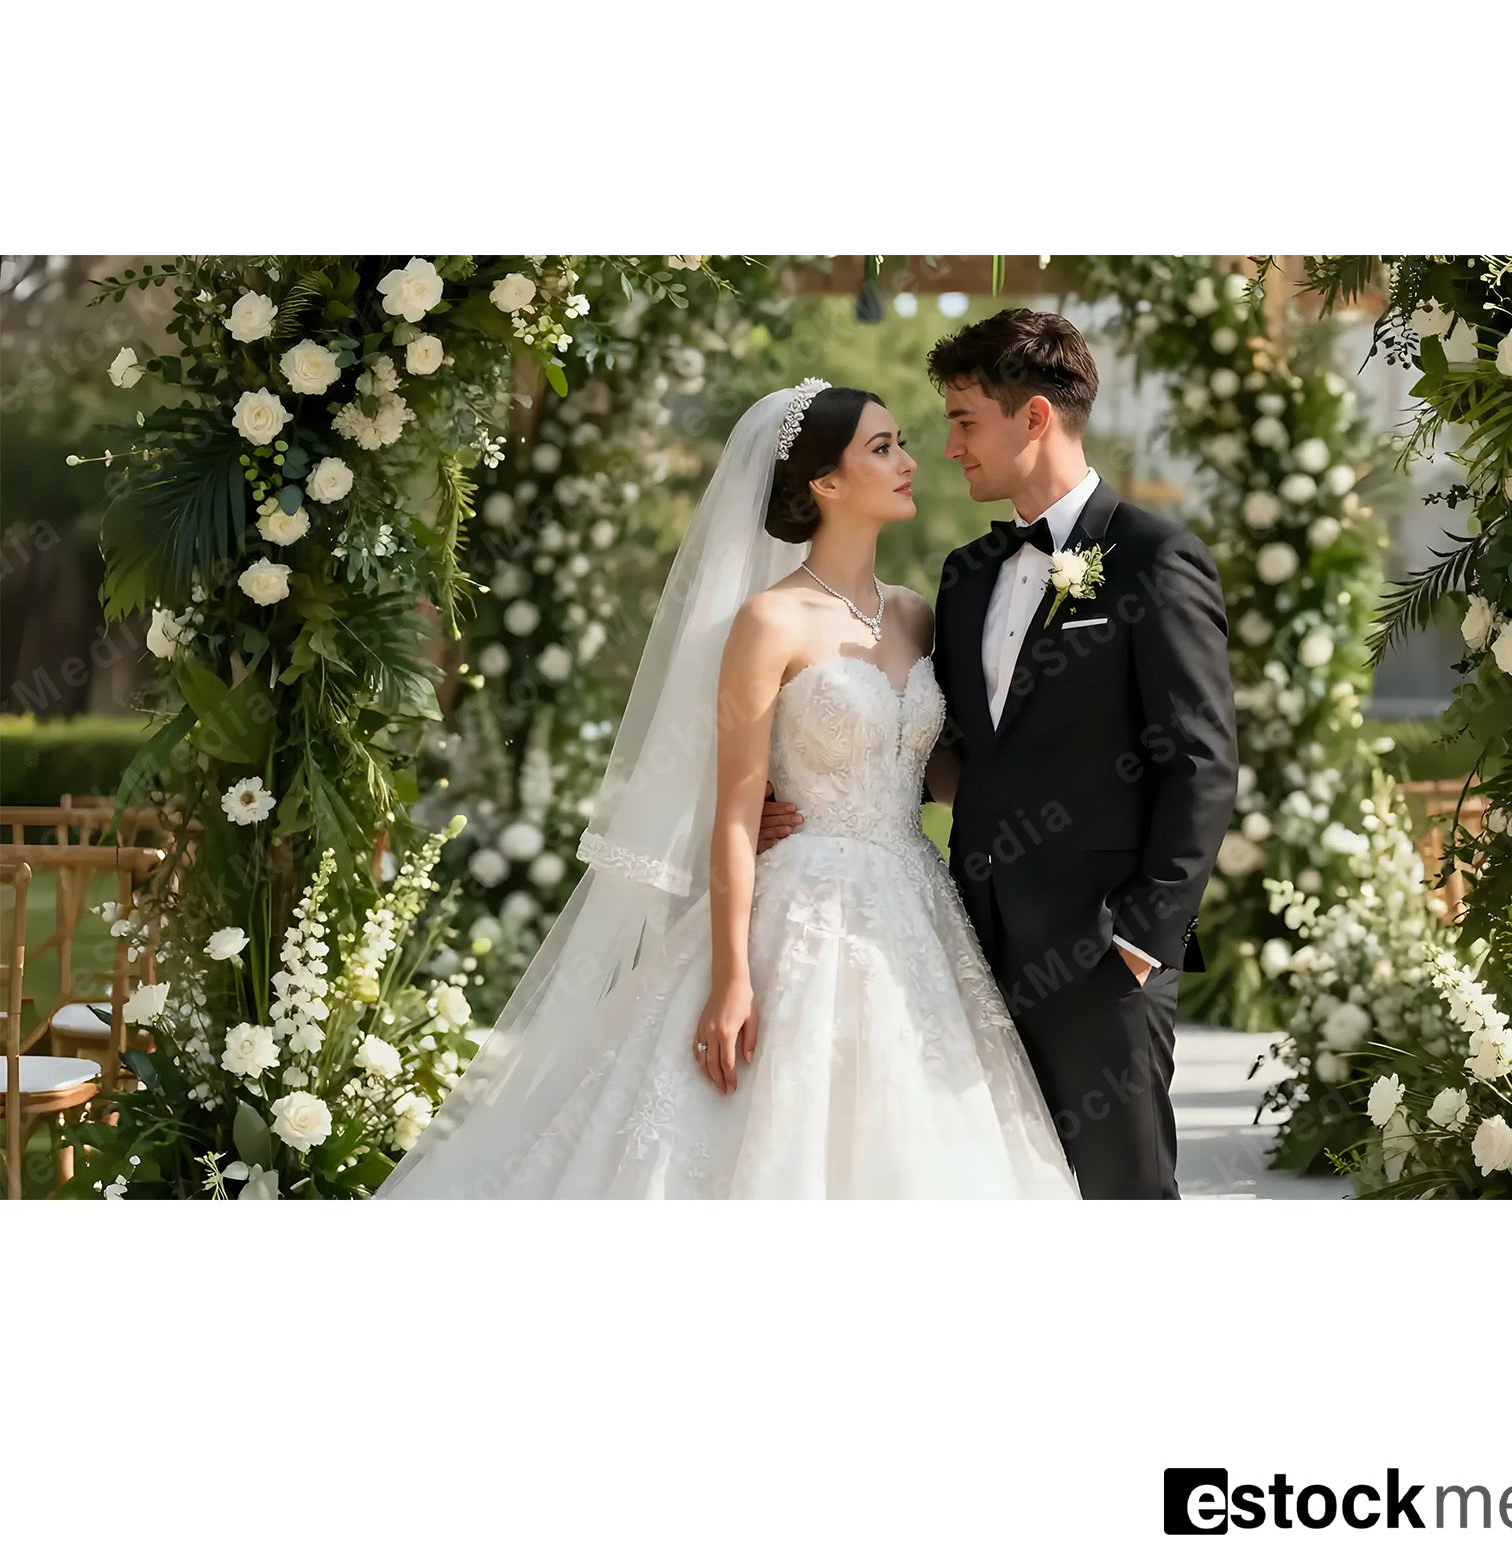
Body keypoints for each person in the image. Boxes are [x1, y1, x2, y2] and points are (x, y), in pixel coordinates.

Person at [378, 379, 1078, 1198]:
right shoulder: (768, 622)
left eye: (902, 444)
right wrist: (732, 977)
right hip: (799, 907)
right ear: (825, 482)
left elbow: (939, 772)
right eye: (883, 447)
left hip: (916, 908)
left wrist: (1062, 791)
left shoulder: (917, 615)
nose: (910, 462)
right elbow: (738, 817)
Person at [760, 311, 1238, 1197]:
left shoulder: (1155, 561)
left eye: (964, 422)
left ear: (1036, 418)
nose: (948, 448)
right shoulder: (966, 573)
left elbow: (1201, 762)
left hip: (1101, 955)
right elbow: (925, 739)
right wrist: (789, 795)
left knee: (1123, 1198)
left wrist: (1143, 939)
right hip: (961, 953)